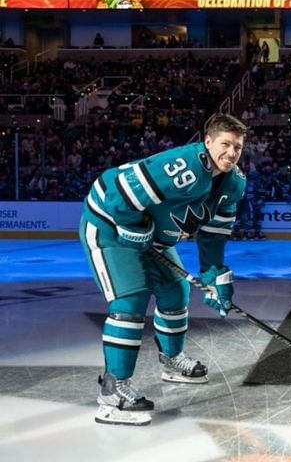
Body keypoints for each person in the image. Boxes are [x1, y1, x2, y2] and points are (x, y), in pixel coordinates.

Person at [79, 114, 248, 425]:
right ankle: (112, 393)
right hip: (110, 224)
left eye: (237, 146)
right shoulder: (186, 166)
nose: (231, 152)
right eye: (225, 144)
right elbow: (119, 193)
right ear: (208, 142)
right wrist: (133, 225)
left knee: (175, 291)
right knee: (130, 302)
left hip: (151, 233)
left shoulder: (233, 183)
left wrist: (214, 275)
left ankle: (171, 361)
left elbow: (214, 235)